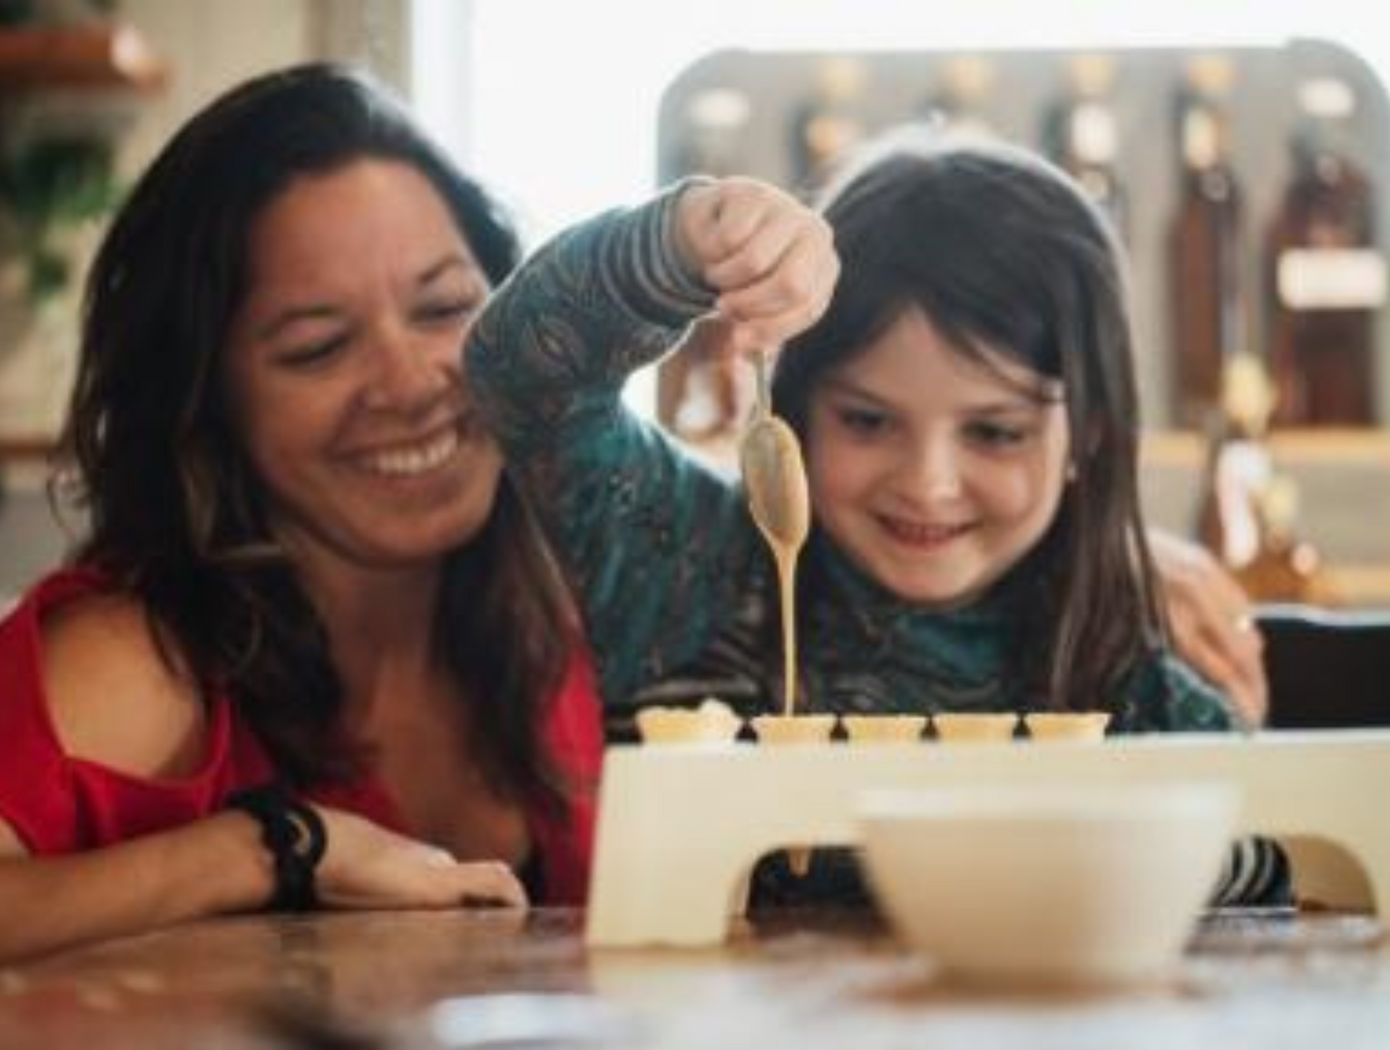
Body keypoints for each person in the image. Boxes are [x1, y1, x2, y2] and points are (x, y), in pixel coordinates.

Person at [466, 132, 1286, 905]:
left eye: (994, 432)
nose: (928, 486)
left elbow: (1282, 865)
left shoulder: (1132, 686)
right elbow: (521, 374)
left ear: (1090, 436)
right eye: (866, 421)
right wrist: (687, 240)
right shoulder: (689, 565)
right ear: (793, 410)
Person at [0, 64, 644, 962]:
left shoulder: (568, 617)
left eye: (448, 307)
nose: (412, 382)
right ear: (204, 401)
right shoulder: (142, 666)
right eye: (318, 347)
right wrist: (271, 851)